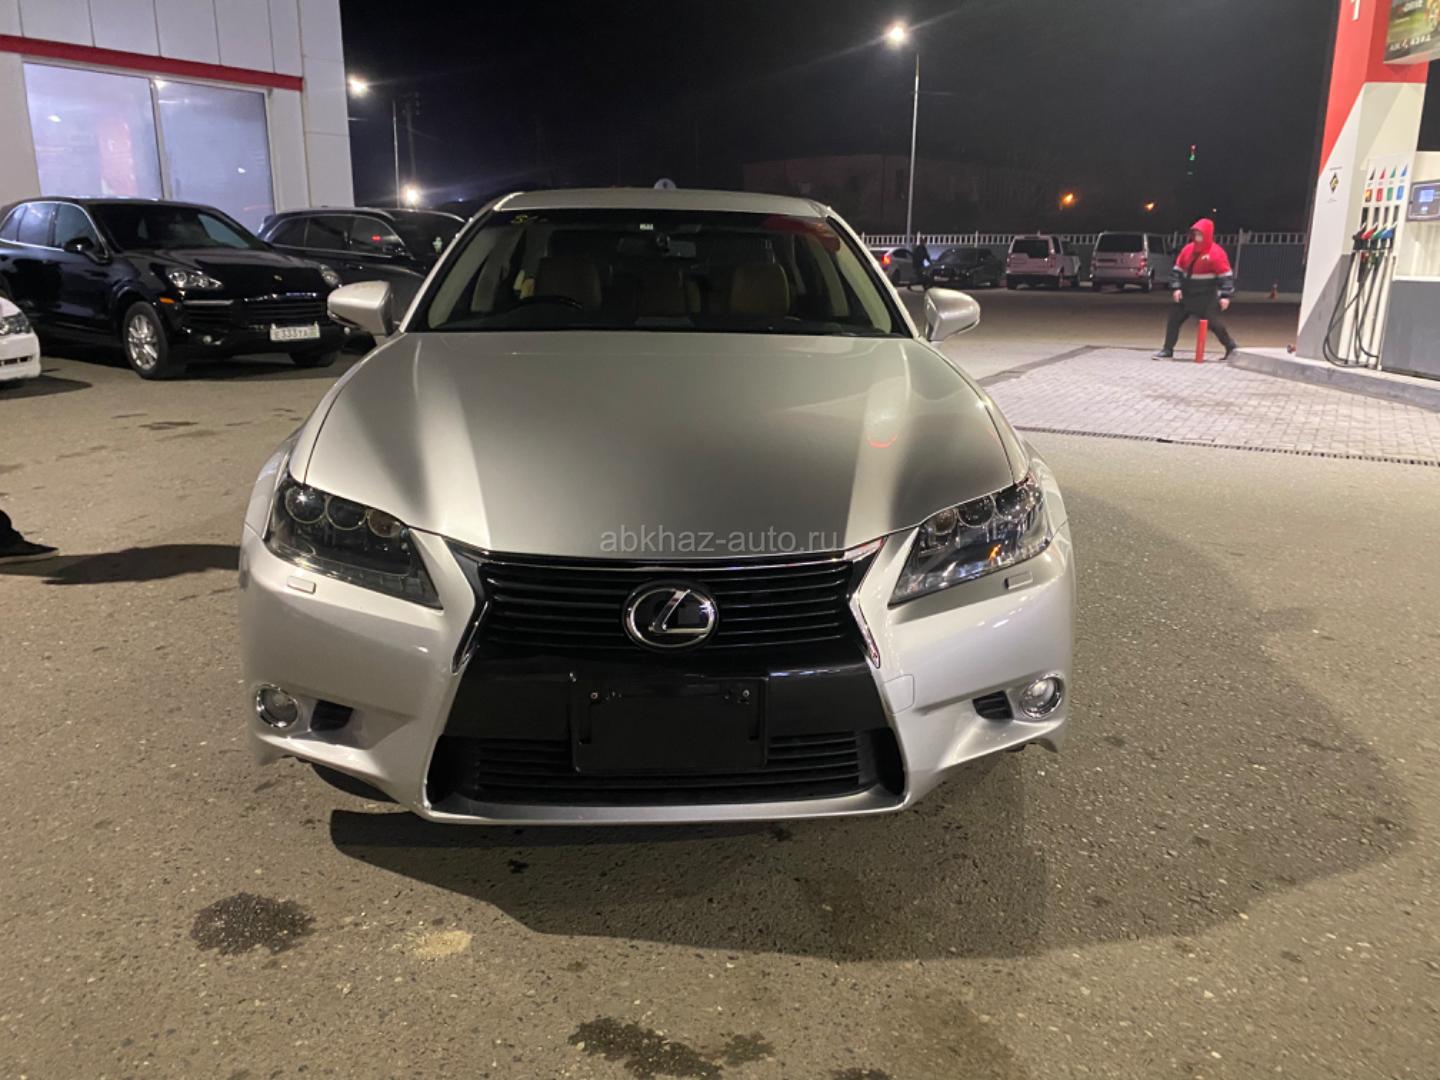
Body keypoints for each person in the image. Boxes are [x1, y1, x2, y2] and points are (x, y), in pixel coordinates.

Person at [1153, 218, 1238, 360]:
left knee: (1214, 324)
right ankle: (1167, 349)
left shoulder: (1216, 253)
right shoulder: (1187, 250)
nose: (1197, 237)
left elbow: (1226, 277)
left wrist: (1225, 296)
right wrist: (1176, 288)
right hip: (1186, 294)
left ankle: (1231, 347)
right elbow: (1176, 272)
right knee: (1173, 320)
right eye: (1195, 234)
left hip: (1206, 296)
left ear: (1207, 235)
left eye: (1200, 234)